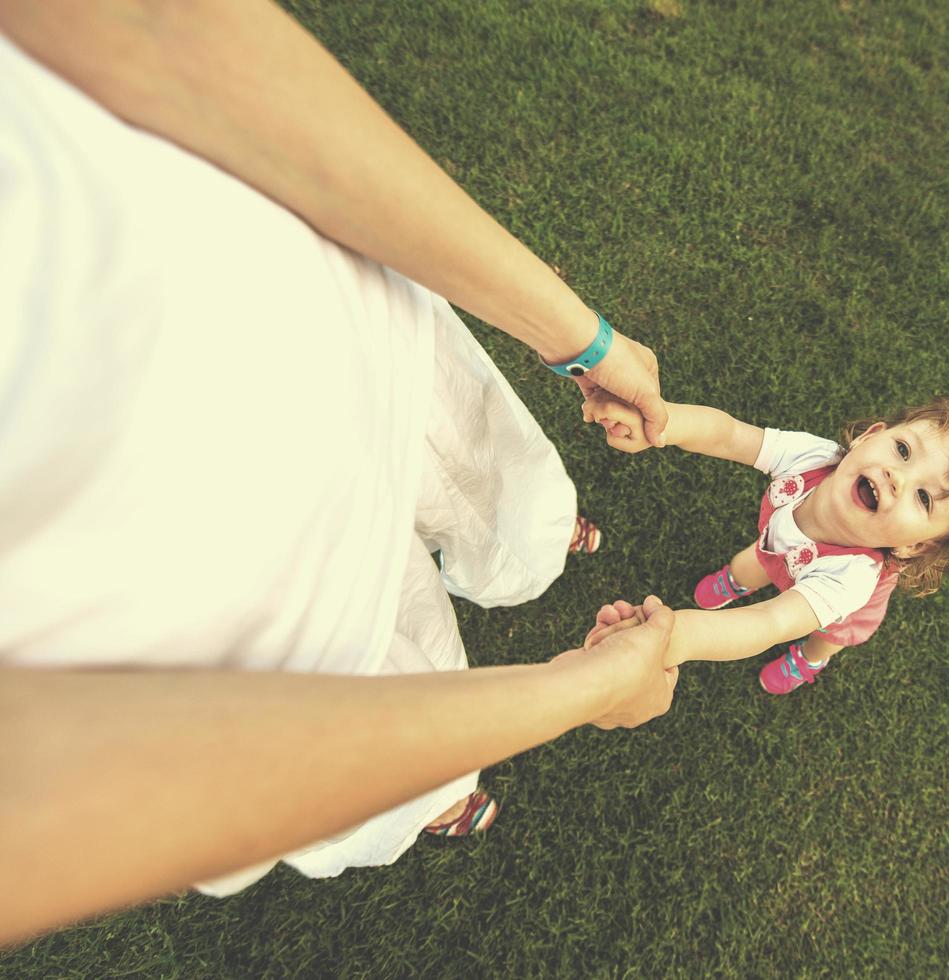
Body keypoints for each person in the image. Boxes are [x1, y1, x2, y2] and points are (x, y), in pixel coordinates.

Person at [0, 0, 673, 943]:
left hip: (316, 302)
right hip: (221, 616)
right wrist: (591, 690)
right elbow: (75, 792)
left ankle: (522, 542)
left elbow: (166, 30)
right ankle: (431, 788)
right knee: (384, 665)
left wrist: (581, 340)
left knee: (481, 480)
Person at [582, 394, 949, 689]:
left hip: (832, 610)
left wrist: (673, 637)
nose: (897, 477)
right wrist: (663, 423)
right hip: (779, 550)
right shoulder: (815, 458)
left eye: (923, 497)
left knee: (826, 636)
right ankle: (738, 579)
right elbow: (730, 434)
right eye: (903, 450)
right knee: (759, 558)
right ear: (871, 436)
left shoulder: (851, 581)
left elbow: (767, 624)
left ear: (918, 546)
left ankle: (811, 662)